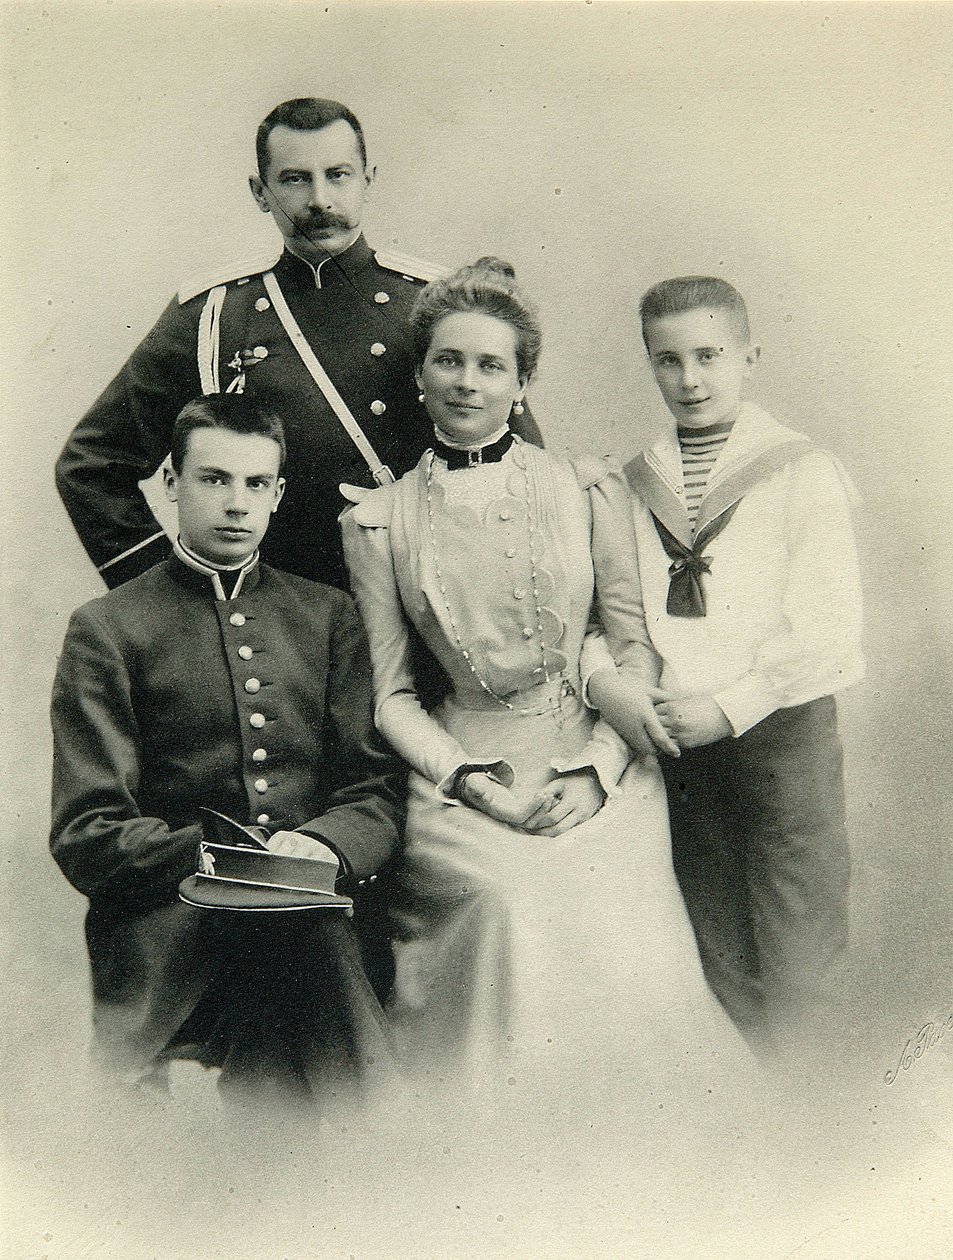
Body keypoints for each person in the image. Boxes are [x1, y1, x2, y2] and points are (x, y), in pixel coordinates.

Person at [340, 258, 745, 1107]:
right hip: (461, 767)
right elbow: (391, 696)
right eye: (448, 361)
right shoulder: (379, 521)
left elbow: (630, 651)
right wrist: (467, 783)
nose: (467, 382)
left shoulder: (585, 488)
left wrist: (597, 772)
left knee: (600, 893)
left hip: (595, 754)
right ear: (418, 375)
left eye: (492, 365)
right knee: (500, 900)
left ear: (522, 380)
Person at [50, 395, 405, 1109]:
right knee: (313, 972)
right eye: (213, 480)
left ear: (277, 495)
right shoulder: (108, 629)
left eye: (254, 484)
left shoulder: (328, 616)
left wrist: (326, 847)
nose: (235, 503)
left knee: (312, 955)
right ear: (172, 484)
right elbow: (88, 833)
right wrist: (227, 862)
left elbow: (373, 791)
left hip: (313, 915)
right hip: (170, 926)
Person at [54, 97, 540, 592]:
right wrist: (177, 596)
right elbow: (90, 466)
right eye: (294, 179)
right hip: (287, 625)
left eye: (338, 174)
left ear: (368, 180)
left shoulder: (436, 305)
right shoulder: (215, 316)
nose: (320, 200)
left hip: (435, 605)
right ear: (260, 192)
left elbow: (521, 462)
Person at [587, 276, 865, 1053]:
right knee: (714, 942)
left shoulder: (798, 471)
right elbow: (611, 610)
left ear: (747, 355)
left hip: (780, 734)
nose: (690, 379)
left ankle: (818, 1118)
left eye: (709, 355)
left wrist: (731, 706)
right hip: (678, 741)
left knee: (798, 940)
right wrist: (626, 690)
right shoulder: (636, 480)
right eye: (667, 361)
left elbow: (829, 630)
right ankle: (765, 1126)